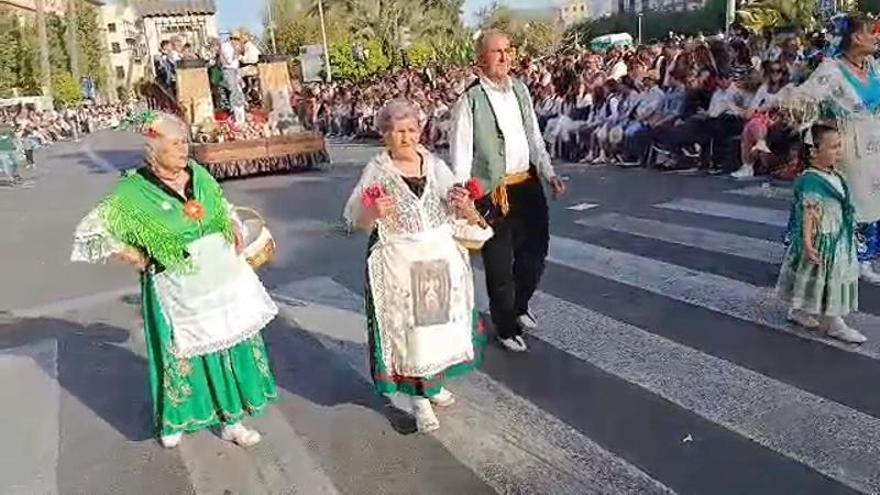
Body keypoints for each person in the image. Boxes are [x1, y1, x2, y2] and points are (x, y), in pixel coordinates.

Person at [71, 113, 279, 448]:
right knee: (179, 355)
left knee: (226, 346)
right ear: (155, 148)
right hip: (174, 288)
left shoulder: (199, 174)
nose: (184, 148)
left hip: (220, 283)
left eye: (185, 141)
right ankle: (176, 420)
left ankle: (232, 420)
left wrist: (235, 228)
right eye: (176, 143)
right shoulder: (134, 190)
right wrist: (135, 254)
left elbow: (223, 208)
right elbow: (93, 231)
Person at [343, 99, 492, 432]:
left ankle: (433, 385)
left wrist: (462, 203)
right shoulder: (378, 171)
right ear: (385, 135)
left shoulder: (435, 165)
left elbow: (454, 204)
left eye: (411, 130)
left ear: (420, 130)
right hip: (400, 262)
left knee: (438, 326)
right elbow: (357, 220)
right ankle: (418, 399)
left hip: (439, 257)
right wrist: (374, 212)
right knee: (413, 332)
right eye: (398, 131)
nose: (406, 137)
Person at [449, 30, 566, 353]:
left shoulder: (520, 90)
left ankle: (520, 304)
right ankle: (505, 325)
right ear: (481, 59)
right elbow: (460, 153)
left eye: (507, 50)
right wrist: (464, 198)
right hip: (491, 191)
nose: (503, 57)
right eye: (495, 52)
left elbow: (534, 137)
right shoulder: (469, 100)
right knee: (500, 264)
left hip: (525, 184)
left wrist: (548, 172)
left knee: (535, 253)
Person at [783, 14, 880, 284]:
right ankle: (826, 260)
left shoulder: (873, 67)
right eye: (870, 32)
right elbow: (805, 99)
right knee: (848, 205)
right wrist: (800, 108)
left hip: (876, 149)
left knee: (873, 205)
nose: (875, 36)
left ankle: (864, 258)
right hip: (847, 149)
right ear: (855, 37)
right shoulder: (832, 69)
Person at [777, 124, 864, 344]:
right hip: (823, 238)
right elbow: (809, 213)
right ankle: (835, 323)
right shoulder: (811, 180)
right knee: (828, 279)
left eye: (839, 146)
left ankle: (798, 311)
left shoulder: (835, 174)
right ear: (814, 151)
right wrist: (807, 242)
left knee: (814, 280)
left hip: (837, 234)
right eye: (833, 147)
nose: (839, 151)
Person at [220, 34, 246, 123]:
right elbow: (229, 60)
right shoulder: (225, 47)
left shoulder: (232, 46)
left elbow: (239, 60)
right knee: (234, 92)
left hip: (235, 70)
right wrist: (236, 51)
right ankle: (237, 118)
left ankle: (241, 117)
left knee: (239, 90)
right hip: (229, 70)